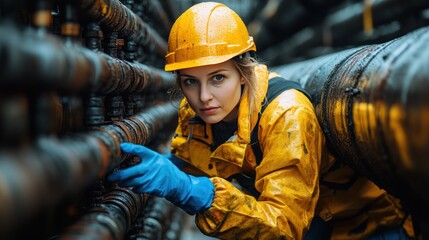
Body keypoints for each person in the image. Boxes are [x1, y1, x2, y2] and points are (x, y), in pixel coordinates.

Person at [107, 2, 414, 239]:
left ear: (244, 71)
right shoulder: (197, 112)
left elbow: (284, 228)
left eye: (217, 78)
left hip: (366, 228)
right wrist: (169, 168)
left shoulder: (287, 114)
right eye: (190, 82)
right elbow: (199, 165)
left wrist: (191, 191)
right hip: (318, 226)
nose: (203, 97)